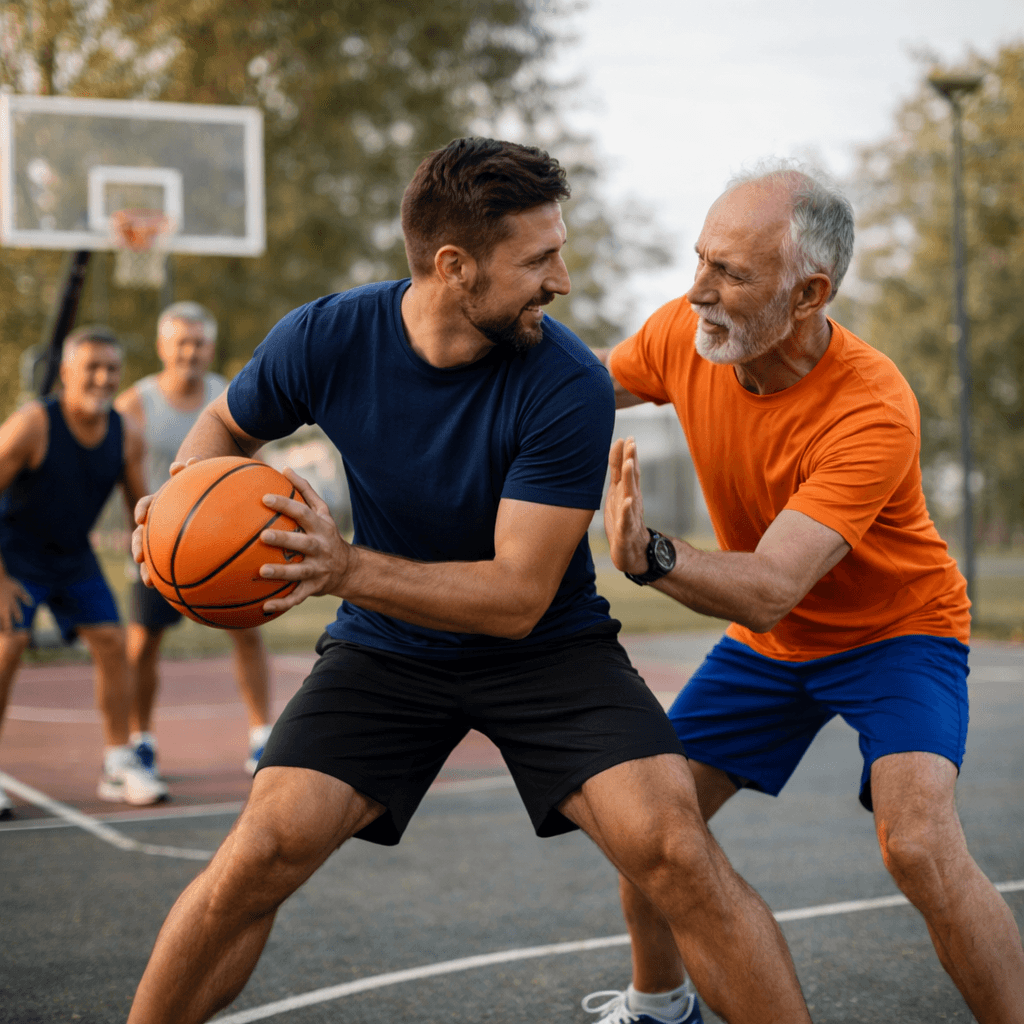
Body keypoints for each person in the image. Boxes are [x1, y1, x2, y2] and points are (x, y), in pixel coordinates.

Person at [126, 138, 812, 1024]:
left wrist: (345, 568)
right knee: (264, 847)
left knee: (674, 848)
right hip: (388, 649)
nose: (560, 280)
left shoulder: (564, 381)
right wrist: (177, 507)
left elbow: (517, 594)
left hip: (547, 649)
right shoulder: (328, 336)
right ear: (454, 267)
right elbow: (219, 430)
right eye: (538, 259)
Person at [590, 160, 1024, 1024]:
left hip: (897, 633)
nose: (698, 290)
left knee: (920, 846)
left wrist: (649, 556)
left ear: (808, 293)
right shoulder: (684, 333)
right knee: (649, 825)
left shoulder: (871, 407)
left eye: (731, 273)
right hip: (772, 650)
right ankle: (658, 1004)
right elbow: (571, 386)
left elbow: (770, 588)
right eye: (701, 259)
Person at [0, 327, 168, 816]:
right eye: (90, 368)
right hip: (15, 553)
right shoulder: (32, 425)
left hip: (72, 555)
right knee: (9, 643)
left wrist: (165, 561)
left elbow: (141, 509)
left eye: (111, 369)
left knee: (113, 642)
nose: (102, 378)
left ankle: (119, 763)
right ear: (66, 373)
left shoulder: (125, 434)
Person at [115, 302, 272, 778]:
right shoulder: (135, 405)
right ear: (164, 347)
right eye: (181, 342)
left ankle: (262, 736)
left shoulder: (229, 397)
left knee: (248, 634)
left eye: (199, 342)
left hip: (223, 545)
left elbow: (252, 470)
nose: (191, 351)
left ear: (210, 348)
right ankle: (140, 740)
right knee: (142, 645)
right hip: (158, 544)